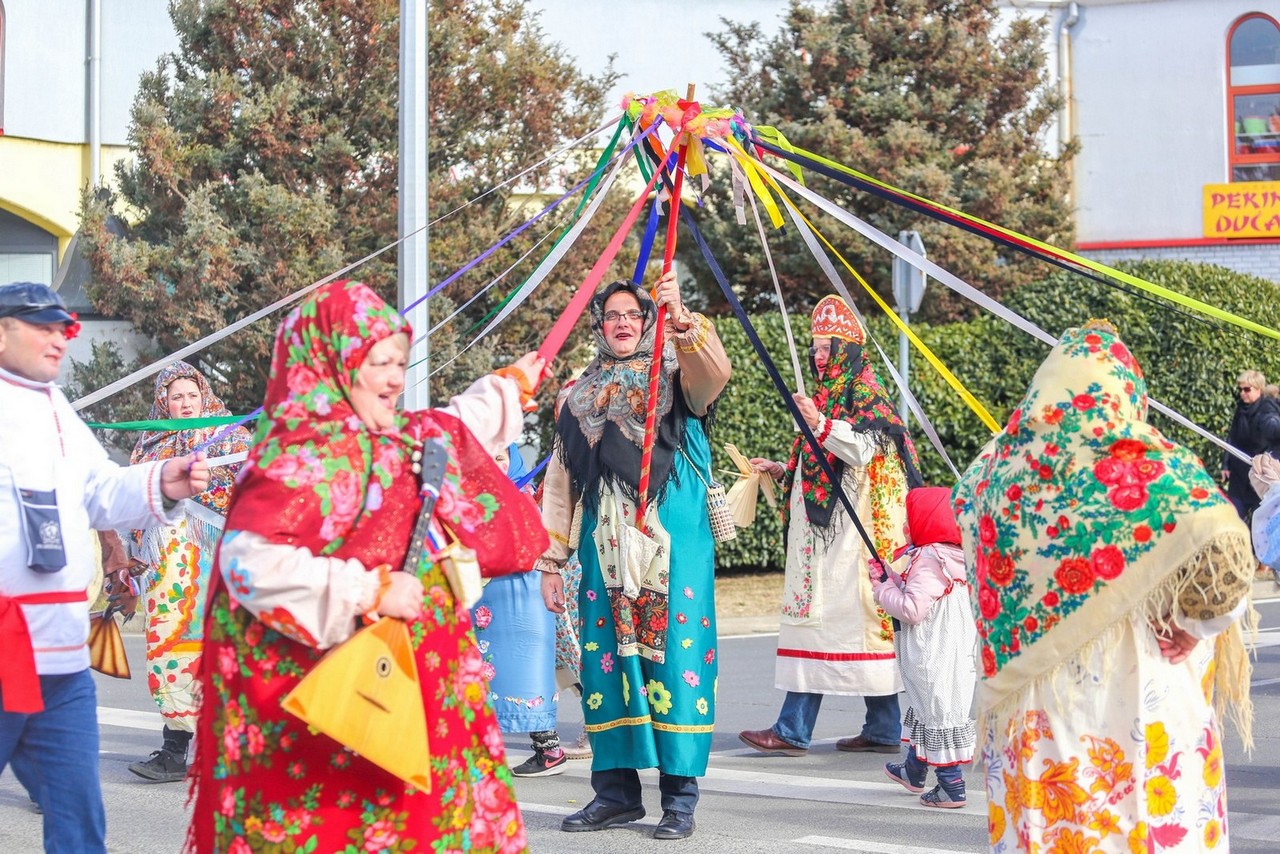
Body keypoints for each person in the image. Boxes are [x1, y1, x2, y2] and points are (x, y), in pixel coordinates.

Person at [187, 279, 547, 853]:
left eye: (400, 362)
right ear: (331, 361)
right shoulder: (297, 458)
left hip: (417, 707)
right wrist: (367, 590)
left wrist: (511, 387)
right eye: (379, 361)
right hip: (333, 717)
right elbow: (248, 564)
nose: (395, 378)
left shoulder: (393, 442)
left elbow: (451, 426)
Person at [954, 320, 1254, 852]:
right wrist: (1194, 625)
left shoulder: (988, 474)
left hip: (1035, 710)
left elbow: (968, 535)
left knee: (1053, 829)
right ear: (1126, 391)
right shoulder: (1149, 468)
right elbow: (1228, 550)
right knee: (1147, 819)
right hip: (1143, 685)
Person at [0, 282, 209, 853]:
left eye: (65, 328)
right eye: (42, 326)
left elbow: (99, 488)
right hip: (2, 650)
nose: (60, 339)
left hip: (62, 660)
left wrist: (160, 483)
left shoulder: (56, 406)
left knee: (79, 822)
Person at [537, 271, 731, 840]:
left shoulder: (675, 374)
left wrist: (684, 319)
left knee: (674, 658)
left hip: (672, 540)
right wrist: (551, 562)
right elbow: (560, 483)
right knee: (606, 660)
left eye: (634, 315)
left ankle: (680, 801)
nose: (623, 324)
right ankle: (615, 794)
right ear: (599, 326)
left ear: (648, 322)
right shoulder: (578, 396)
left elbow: (713, 376)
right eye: (612, 316)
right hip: (604, 544)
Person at [739, 295, 919, 759]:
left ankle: (793, 729)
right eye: (815, 348)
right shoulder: (831, 396)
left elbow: (864, 451)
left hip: (855, 545)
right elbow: (825, 463)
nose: (818, 357)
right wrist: (784, 469)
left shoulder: (864, 392)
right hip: (831, 543)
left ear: (847, 350)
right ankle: (883, 726)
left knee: (831, 624)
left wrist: (820, 423)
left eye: (826, 348)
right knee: (839, 626)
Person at [126, 361, 253, 782]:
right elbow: (131, 499)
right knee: (169, 650)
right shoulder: (150, 441)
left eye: (191, 395)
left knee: (220, 652)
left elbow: (253, 487)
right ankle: (174, 751)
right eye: (176, 397)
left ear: (205, 396)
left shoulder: (230, 435)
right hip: (166, 574)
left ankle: (233, 751)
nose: (184, 404)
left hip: (217, 565)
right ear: (164, 401)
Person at [870, 486, 975, 809]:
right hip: (956, 655)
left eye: (909, 519)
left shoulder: (930, 560)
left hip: (932, 654)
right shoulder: (957, 555)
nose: (905, 525)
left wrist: (881, 590)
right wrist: (891, 577)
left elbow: (913, 610)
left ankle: (950, 784)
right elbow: (922, 595)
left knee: (937, 713)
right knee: (927, 709)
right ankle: (914, 771)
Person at [472, 444, 568, 777]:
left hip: (524, 600)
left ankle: (549, 749)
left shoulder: (523, 496)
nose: (494, 465)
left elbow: (530, 548)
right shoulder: (475, 498)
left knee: (527, 674)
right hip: (490, 602)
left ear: (513, 462)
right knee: (482, 672)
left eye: (501, 458)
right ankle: (482, 751)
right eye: (488, 458)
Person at [1221, 368, 1280, 519]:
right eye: (1240, 389)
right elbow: (1232, 437)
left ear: (1259, 389)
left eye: (1247, 389)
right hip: (1239, 472)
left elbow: (1272, 427)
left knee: (1257, 519)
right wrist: (1226, 465)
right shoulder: (1241, 408)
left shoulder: (1267, 408)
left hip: (1259, 472)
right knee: (1234, 516)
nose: (1242, 393)